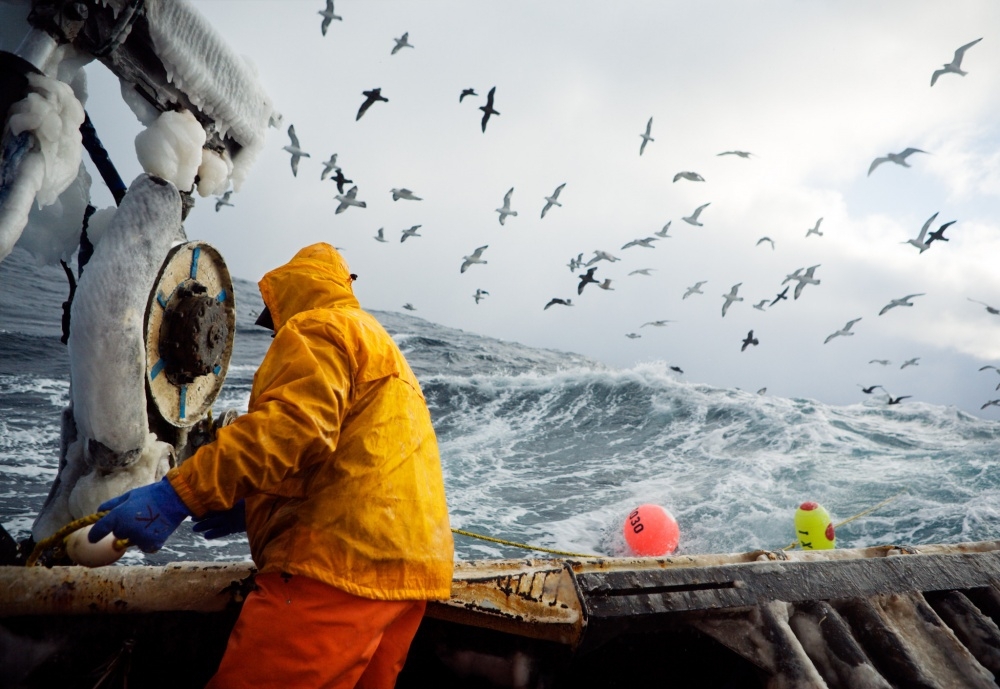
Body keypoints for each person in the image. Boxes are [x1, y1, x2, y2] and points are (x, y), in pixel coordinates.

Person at [89, 242, 454, 688]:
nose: (276, 326)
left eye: (273, 313)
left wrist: (177, 494)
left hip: (338, 569)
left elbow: (293, 429)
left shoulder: (318, 328)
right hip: (411, 575)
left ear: (293, 292)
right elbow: (360, 454)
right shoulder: (380, 346)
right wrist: (255, 505)